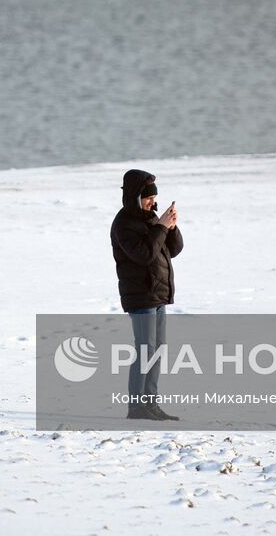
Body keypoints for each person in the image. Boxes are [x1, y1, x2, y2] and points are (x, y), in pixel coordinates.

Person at [110, 169, 182, 421]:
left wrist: (171, 227)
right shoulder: (123, 224)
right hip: (140, 296)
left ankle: (151, 404)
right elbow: (144, 255)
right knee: (145, 350)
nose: (152, 202)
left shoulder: (151, 218)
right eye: (148, 198)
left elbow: (173, 250)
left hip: (159, 294)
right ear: (135, 196)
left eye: (154, 198)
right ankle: (135, 407)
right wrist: (161, 227)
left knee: (157, 349)